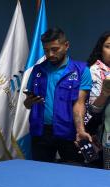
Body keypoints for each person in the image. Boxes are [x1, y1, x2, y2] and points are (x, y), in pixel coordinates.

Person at [23, 27, 92, 163]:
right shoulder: (38, 70)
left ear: (66, 45)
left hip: (68, 131)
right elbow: (27, 104)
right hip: (41, 132)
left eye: (54, 49)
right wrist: (29, 102)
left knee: (73, 172)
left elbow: (79, 104)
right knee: (40, 173)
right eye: (46, 50)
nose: (50, 54)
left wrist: (80, 130)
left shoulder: (81, 70)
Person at [87, 31, 110, 169]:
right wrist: (105, 93)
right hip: (106, 133)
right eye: (108, 46)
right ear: (101, 49)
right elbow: (93, 110)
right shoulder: (95, 71)